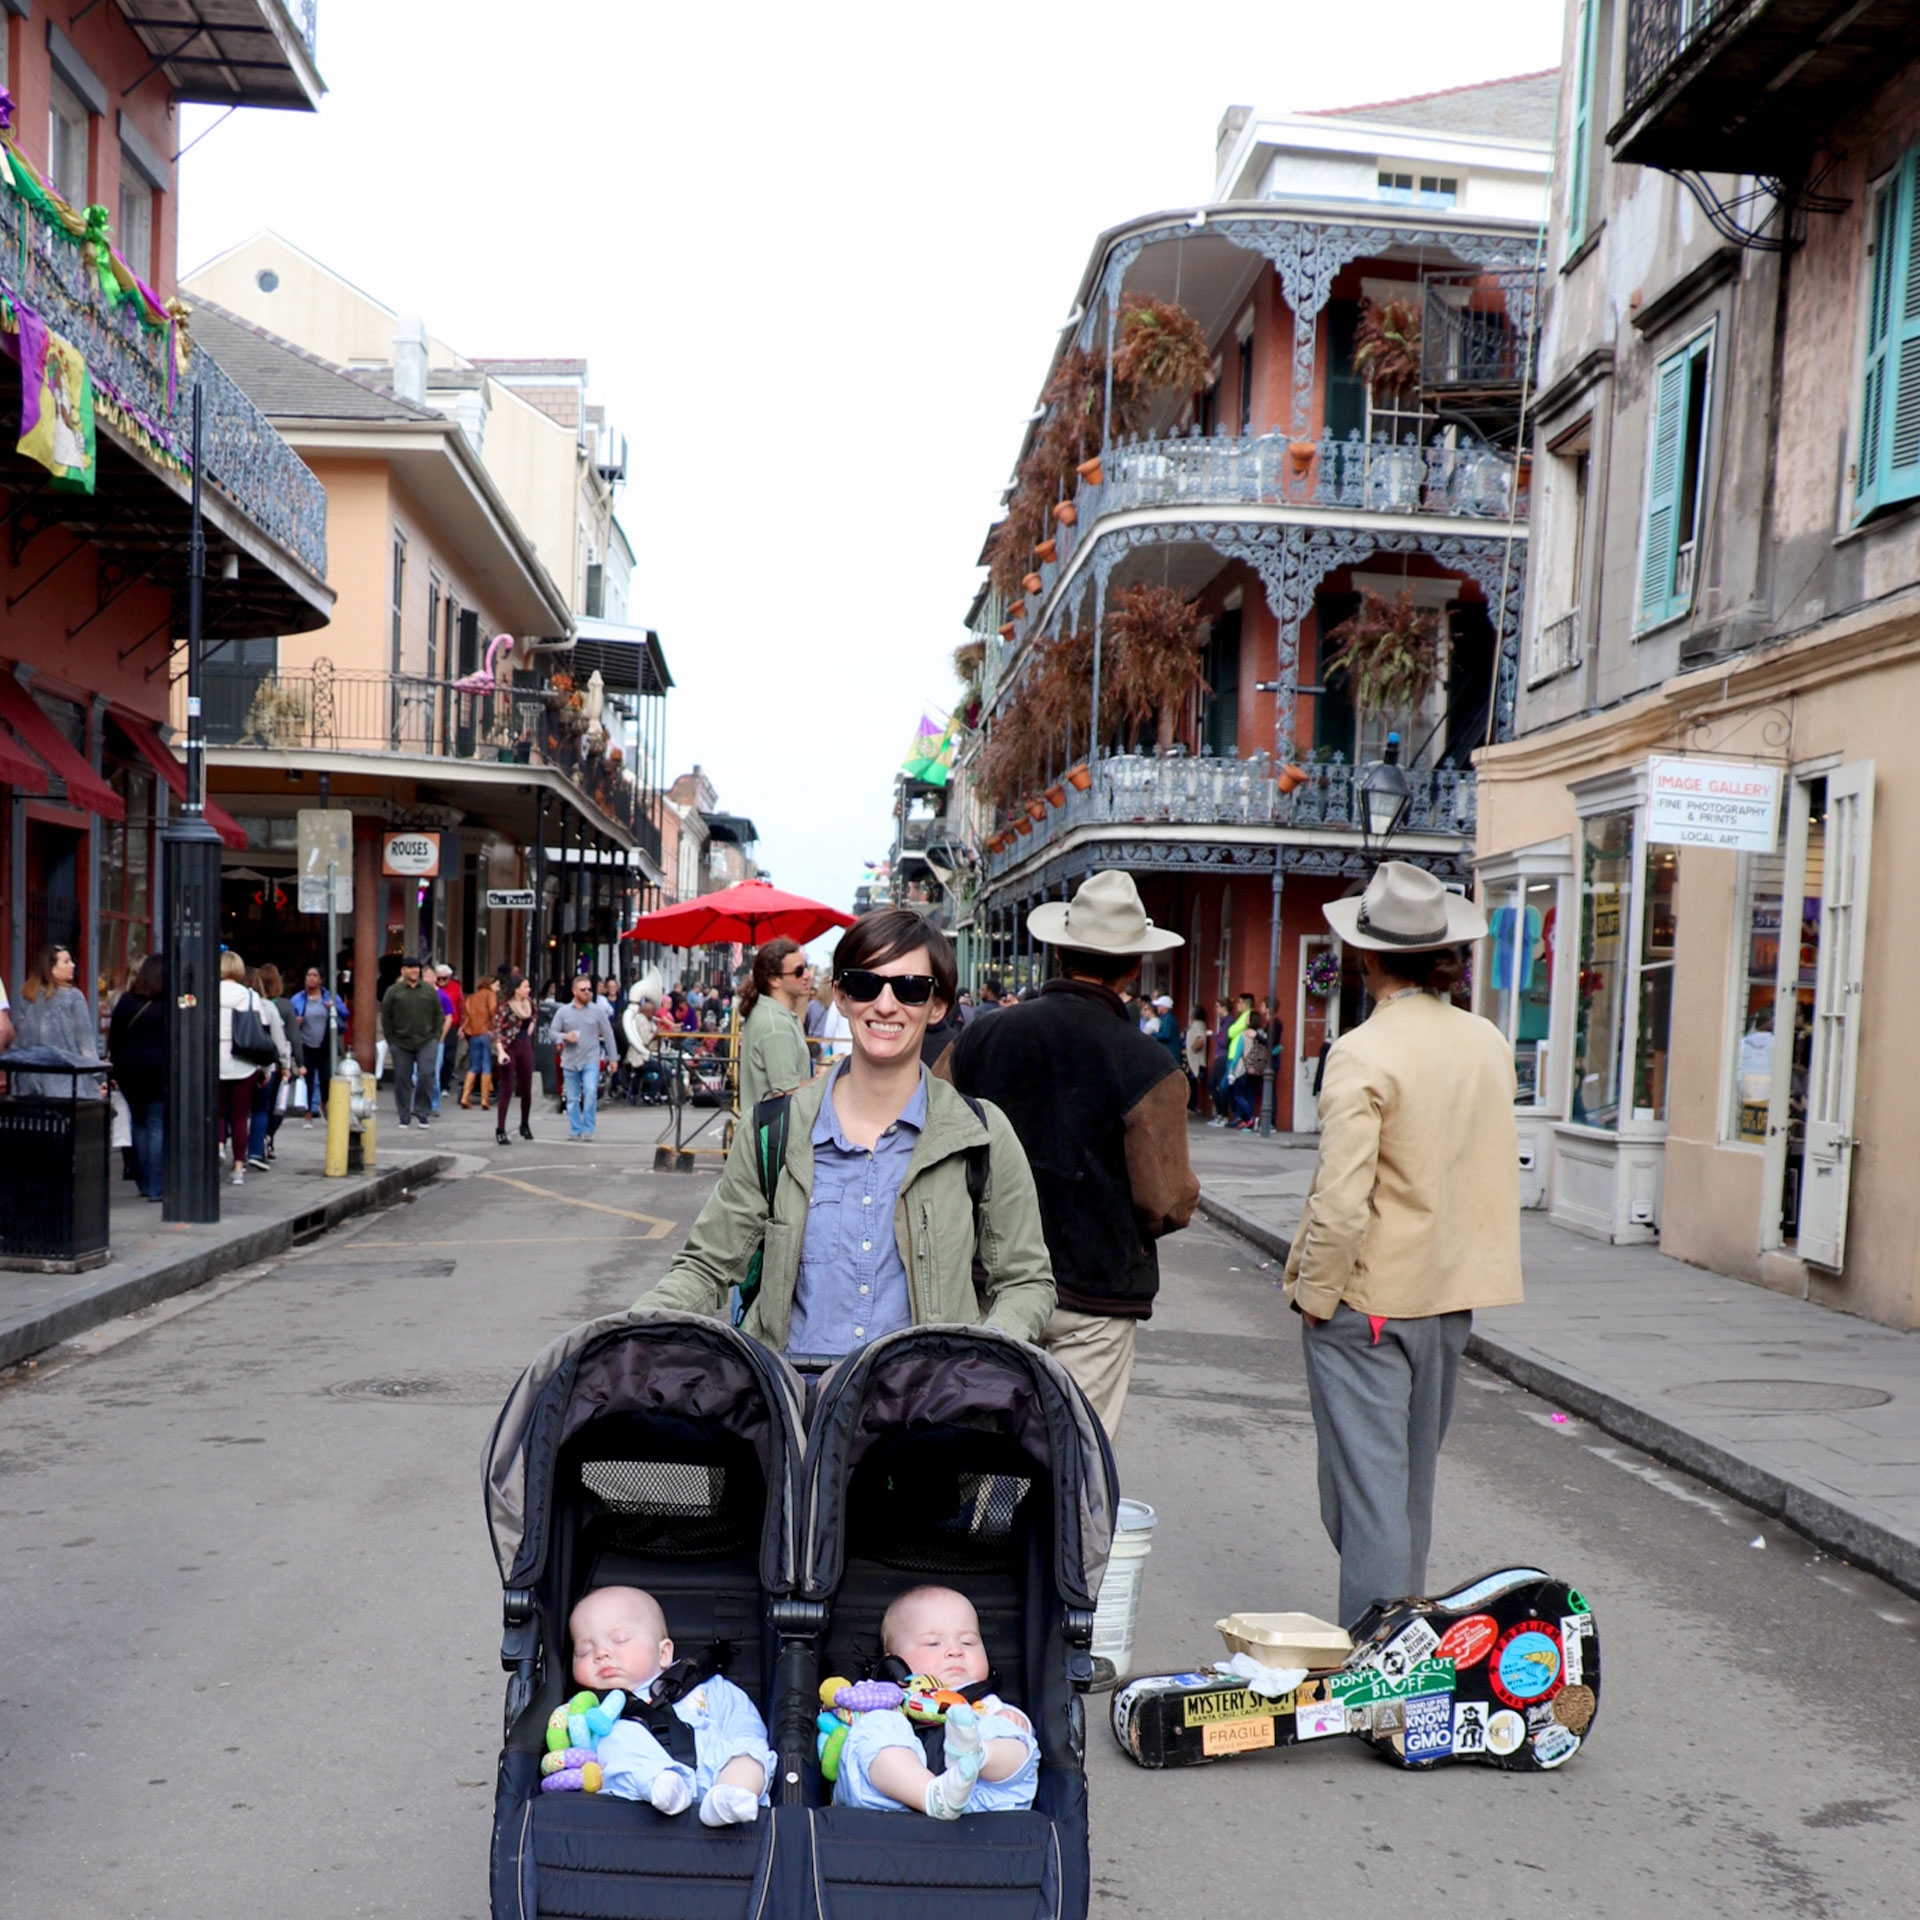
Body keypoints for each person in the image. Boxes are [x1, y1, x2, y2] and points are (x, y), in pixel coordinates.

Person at [636, 909, 1054, 1356]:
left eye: (911, 989)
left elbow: (1025, 1279)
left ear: (938, 1005)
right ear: (840, 995)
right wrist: (628, 1336)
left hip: (926, 1414)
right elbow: (705, 1266)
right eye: (865, 983)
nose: (886, 1005)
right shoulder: (773, 1130)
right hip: (793, 1410)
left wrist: (983, 1360)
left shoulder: (981, 1135)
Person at [1284, 862, 1522, 1628]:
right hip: (1448, 1295)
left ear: (1367, 955)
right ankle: (1403, 1632)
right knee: (1407, 1487)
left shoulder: (1363, 1050)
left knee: (1365, 1492)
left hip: (1371, 1297)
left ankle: (1382, 1659)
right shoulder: (1485, 1040)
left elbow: (1343, 1196)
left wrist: (1315, 1293)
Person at [937, 871, 1198, 1440]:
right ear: (1133, 968)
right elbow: (1165, 1201)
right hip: (1094, 1293)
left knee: (976, 1450)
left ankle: (981, 1527)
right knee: (1077, 1462)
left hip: (990, 1279)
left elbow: (929, 1140)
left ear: (1057, 952)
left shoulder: (983, 1036)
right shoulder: (1148, 1064)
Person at [559, 1585, 773, 1826]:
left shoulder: (707, 1686)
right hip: (645, 1784)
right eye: (584, 1650)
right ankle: (663, 1786)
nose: (601, 1653)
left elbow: (743, 1721)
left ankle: (730, 1798)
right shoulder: (592, 1712)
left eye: (620, 1639)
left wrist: (744, 1754)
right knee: (611, 1748)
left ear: (664, 1653)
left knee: (750, 1755)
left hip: (717, 1767)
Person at [831, 1585, 1038, 1820]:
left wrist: (1012, 1723)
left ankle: (977, 1753)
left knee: (1013, 1736)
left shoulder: (987, 1705)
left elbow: (1017, 1738)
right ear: (894, 1661)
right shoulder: (883, 1695)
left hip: (976, 1795)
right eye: (933, 1643)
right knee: (873, 1727)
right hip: (894, 1799)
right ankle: (932, 1794)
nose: (955, 1651)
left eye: (968, 1642)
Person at [107, 954, 168, 1201]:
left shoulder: (126, 1002)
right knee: (155, 1125)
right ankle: (156, 1186)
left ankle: (144, 1182)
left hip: (129, 1072)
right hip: (158, 1071)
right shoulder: (167, 1006)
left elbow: (115, 1037)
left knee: (139, 1124)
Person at [735, 937, 814, 1116]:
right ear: (774, 980)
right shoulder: (776, 1024)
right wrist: (828, 1080)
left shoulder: (770, 1014)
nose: (807, 975)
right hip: (776, 1137)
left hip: (766, 1133)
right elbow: (786, 1093)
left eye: (806, 967)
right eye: (799, 971)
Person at [10, 944, 101, 1096]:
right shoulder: (74, 997)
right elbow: (85, 1043)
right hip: (67, 1086)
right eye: (66, 962)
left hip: (30, 1085)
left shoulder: (27, 997)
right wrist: (99, 1077)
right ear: (51, 968)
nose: (73, 965)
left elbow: (19, 1042)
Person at [216, 950, 267, 1185]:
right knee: (239, 1117)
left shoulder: (208, 993)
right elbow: (261, 1031)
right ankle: (238, 1167)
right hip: (244, 1063)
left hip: (214, 1061)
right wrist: (265, 1069)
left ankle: (217, 1146)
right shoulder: (250, 996)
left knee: (216, 1112)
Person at [380, 954, 444, 1129]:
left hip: (426, 1040)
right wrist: (391, 1040)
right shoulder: (393, 991)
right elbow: (387, 1017)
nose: (414, 970)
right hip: (401, 1043)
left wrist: (436, 1036)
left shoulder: (429, 990)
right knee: (402, 1079)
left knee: (426, 1074)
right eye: (410, 967)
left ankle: (423, 1112)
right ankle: (404, 1114)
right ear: (403, 970)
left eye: (416, 967)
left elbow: (439, 1015)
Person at [551, 973, 618, 1141]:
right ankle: (575, 1128)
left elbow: (608, 1034)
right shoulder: (563, 1011)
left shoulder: (597, 1011)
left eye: (589, 989)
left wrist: (613, 1057)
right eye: (583, 989)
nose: (587, 992)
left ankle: (588, 1128)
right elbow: (552, 1033)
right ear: (574, 991)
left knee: (589, 1092)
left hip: (591, 1058)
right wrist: (565, 1037)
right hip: (570, 1060)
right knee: (572, 1098)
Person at [243, 966, 293, 1170]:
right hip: (264, 1067)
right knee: (260, 1110)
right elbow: (279, 1041)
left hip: (236, 1065)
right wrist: (286, 1065)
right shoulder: (268, 1007)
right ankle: (255, 1151)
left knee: (232, 1113)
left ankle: (224, 1147)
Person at [289, 966, 342, 1123]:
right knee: (308, 1079)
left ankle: (323, 1103)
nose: (311, 978)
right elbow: (288, 1019)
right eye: (308, 975)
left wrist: (333, 1008)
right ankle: (307, 1113)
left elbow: (344, 1013)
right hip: (306, 1045)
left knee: (326, 1078)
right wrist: (295, 1022)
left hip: (324, 1045)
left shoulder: (328, 997)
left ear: (320, 979)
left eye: (314, 975)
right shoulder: (298, 998)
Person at [493, 971, 538, 1145]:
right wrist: (500, 1051)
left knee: (526, 1088)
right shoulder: (505, 1006)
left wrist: (531, 1026)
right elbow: (496, 1029)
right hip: (509, 1047)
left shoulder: (529, 1004)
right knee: (507, 1088)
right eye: (525, 986)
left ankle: (524, 1124)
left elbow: (534, 1014)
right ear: (516, 989)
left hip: (524, 1045)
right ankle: (500, 1128)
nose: (528, 989)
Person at [460, 969, 498, 1111]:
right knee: (487, 1065)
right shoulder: (490, 995)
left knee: (473, 1066)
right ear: (490, 984)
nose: (498, 988)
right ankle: (484, 1099)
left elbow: (467, 1017)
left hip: (474, 1034)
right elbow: (493, 1012)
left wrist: (464, 1030)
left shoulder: (472, 997)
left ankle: (465, 1096)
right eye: (497, 985)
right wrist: (495, 1030)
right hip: (486, 1033)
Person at [434, 964, 464, 1101]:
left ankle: (444, 1085)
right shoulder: (432, 988)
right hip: (435, 1026)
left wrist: (462, 1026)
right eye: (438, 978)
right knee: (435, 1057)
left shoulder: (455, 988)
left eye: (443, 978)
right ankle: (435, 1084)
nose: (440, 981)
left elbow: (461, 1007)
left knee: (448, 1057)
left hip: (452, 1026)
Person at [1185, 1004, 1210, 1113]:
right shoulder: (1195, 1025)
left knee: (1192, 1083)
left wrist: (1194, 1048)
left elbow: (1201, 1039)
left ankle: (1192, 1106)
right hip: (1192, 1059)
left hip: (1196, 1060)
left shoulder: (1198, 1025)